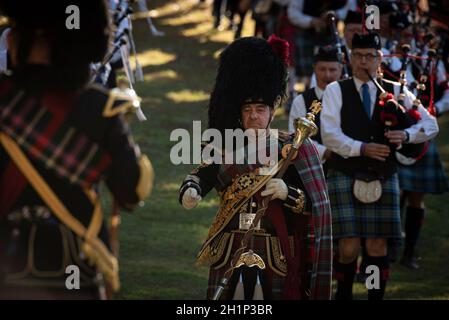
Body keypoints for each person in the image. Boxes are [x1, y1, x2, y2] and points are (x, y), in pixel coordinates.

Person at [0, 0, 154, 299]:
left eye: (16, 29)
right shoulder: (101, 108)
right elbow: (132, 190)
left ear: (34, 36)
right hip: (75, 275)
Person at [179, 36, 333, 300]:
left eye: (260, 109)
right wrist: (190, 190)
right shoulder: (223, 146)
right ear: (239, 113)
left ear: (272, 111)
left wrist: (287, 192)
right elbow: (201, 176)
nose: (253, 116)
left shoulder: (291, 149)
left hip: (274, 251)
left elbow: (316, 205)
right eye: (247, 109)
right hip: (231, 246)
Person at [320, 32, 438, 300]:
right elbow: (329, 134)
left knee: (376, 246)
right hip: (345, 171)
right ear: (350, 58)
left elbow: (430, 125)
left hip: (383, 174)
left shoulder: (396, 91)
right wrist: (361, 148)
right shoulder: (336, 90)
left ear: (380, 59)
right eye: (358, 56)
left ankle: (374, 297)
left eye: (370, 56)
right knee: (348, 247)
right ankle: (345, 294)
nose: (364, 61)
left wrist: (406, 135)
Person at [289, 45, 342, 164]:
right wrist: (326, 152)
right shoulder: (301, 100)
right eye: (322, 69)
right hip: (313, 164)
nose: (327, 75)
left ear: (341, 70)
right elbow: (294, 137)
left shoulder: (348, 97)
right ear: (314, 69)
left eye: (332, 70)